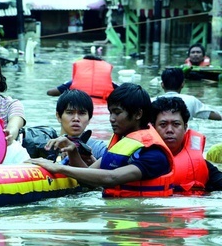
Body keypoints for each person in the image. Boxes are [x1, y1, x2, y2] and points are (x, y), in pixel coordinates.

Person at [29, 83, 174, 197]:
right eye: (110, 112)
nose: (111, 119)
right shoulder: (122, 143)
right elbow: (88, 177)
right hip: (120, 220)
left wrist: (59, 168)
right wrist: (73, 152)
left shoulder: (153, 153)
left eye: (117, 113)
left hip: (143, 227)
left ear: (137, 114)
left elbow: (112, 178)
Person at [151, 97, 222, 194]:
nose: (170, 130)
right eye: (163, 124)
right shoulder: (140, 159)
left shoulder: (200, 165)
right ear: (153, 127)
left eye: (176, 124)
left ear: (185, 127)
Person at [152, 68, 221, 120]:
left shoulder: (151, 101)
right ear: (183, 84)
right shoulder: (191, 100)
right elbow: (217, 117)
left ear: (162, 85)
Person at [46, 55, 115, 99]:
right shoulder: (110, 84)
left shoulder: (73, 82)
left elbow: (50, 92)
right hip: (102, 110)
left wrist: (68, 93)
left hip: (81, 110)